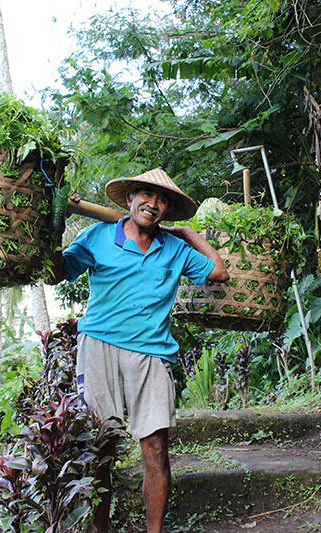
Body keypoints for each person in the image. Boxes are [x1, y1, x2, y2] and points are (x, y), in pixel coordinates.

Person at [47, 168, 229, 532]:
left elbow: (220, 273)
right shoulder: (98, 236)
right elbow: (57, 273)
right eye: (145, 194)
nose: (153, 203)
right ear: (130, 199)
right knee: (101, 449)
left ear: (167, 210)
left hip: (152, 353)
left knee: (157, 450)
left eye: (161, 199)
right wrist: (49, 229)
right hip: (99, 347)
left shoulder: (175, 249)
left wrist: (189, 234)